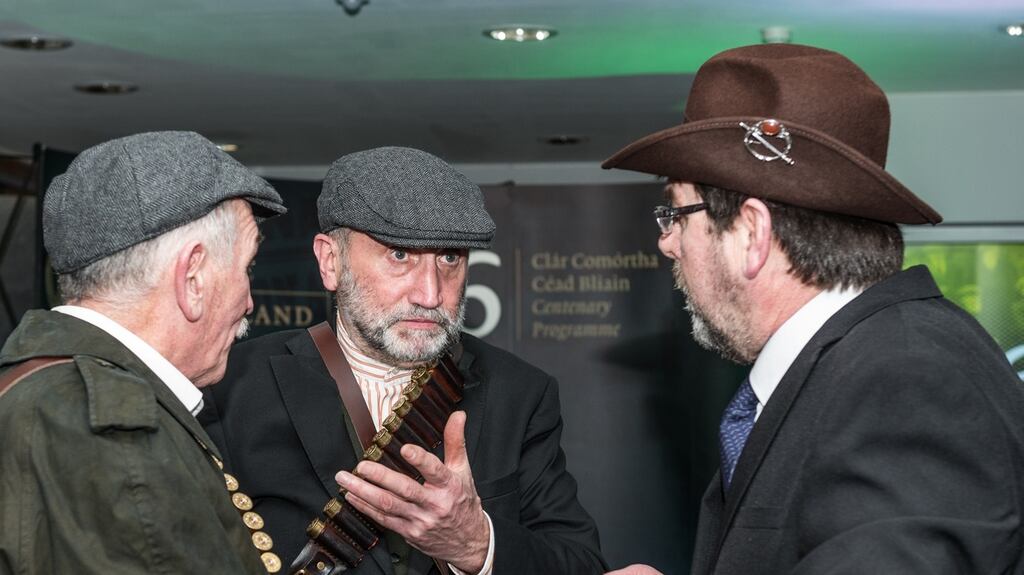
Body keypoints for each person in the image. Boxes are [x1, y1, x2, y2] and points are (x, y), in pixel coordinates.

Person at [601, 44, 1024, 574]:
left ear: (751, 233)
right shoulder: (862, 364)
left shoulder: (905, 378)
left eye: (677, 215)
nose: (667, 243)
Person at [200, 146, 606, 575]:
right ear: (330, 261)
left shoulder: (519, 393)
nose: (430, 294)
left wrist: (477, 544)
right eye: (399, 254)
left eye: (449, 257)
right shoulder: (232, 385)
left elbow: (582, 563)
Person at [0, 131, 288, 573]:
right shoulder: (115, 434)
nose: (249, 302)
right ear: (192, 279)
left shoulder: (42, 388)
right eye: (246, 267)